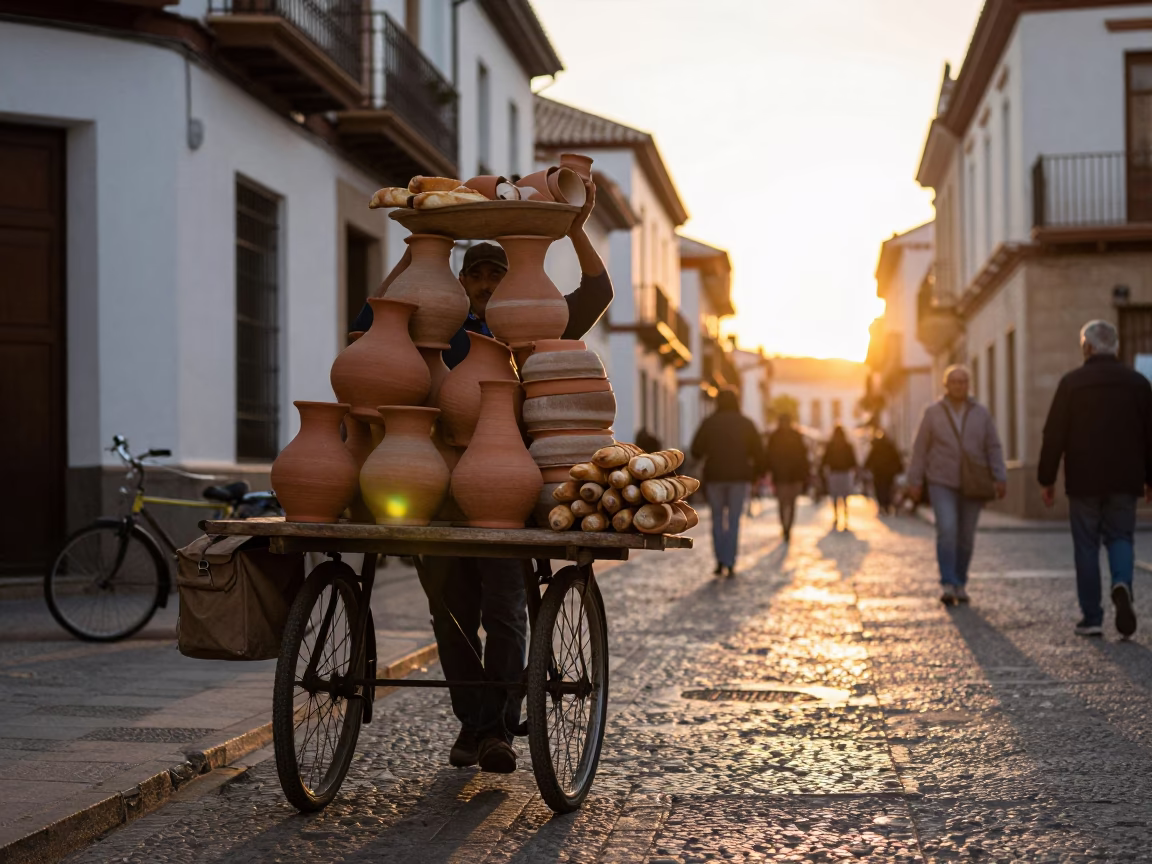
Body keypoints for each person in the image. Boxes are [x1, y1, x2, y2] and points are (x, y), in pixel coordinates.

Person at [352, 176, 612, 773]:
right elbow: (370, 317)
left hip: (508, 485)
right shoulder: (431, 324)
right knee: (448, 612)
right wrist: (417, 245)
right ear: (462, 282)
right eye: (478, 275)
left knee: (504, 610)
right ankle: (478, 724)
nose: (489, 285)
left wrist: (574, 228)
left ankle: (492, 731)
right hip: (432, 483)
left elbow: (597, 291)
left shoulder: (534, 325)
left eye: (498, 274)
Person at [1038, 320, 1152, 639]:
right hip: (1125, 478)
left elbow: (1054, 434)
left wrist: (1046, 478)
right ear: (1115, 347)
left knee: (1086, 545)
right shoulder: (1138, 383)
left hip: (1084, 479)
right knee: (1121, 537)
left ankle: (1092, 617)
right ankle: (1121, 584)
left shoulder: (1072, 384)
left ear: (1088, 348)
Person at [907, 365, 1007, 605]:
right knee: (947, 529)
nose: (959, 385)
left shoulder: (980, 413)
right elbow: (920, 449)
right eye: (954, 381)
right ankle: (948, 582)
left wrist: (999, 475)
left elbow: (993, 445)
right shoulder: (932, 413)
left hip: (973, 481)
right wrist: (914, 480)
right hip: (942, 480)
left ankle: (961, 581)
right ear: (946, 385)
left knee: (966, 536)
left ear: (968, 385)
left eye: (963, 381)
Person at [690, 390, 764, 578]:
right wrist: (756, 474)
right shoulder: (746, 424)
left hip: (715, 476)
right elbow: (759, 452)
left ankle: (719, 559)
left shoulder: (710, 423)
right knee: (733, 520)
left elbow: (696, 450)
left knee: (716, 519)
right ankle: (730, 560)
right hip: (739, 477)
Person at [765, 413, 810, 542]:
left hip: (781, 477)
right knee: (791, 503)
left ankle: (785, 526)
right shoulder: (796, 436)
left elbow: (768, 456)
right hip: (793, 477)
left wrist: (767, 470)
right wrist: (805, 474)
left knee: (783, 503)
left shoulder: (775, 437)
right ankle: (787, 527)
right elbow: (803, 457)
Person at [822, 426, 858, 532]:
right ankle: (845, 517)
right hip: (845, 473)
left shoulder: (831, 446)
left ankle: (836, 516)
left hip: (834, 473)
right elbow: (853, 460)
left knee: (835, 496)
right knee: (845, 496)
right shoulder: (847, 446)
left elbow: (825, 459)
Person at [865, 429, 904, 515]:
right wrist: (900, 469)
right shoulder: (890, 446)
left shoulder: (876, 448)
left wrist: (867, 467)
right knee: (888, 488)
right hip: (888, 472)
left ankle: (883, 505)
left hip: (879, 472)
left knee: (880, 489)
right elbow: (896, 458)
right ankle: (887, 505)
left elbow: (869, 459)